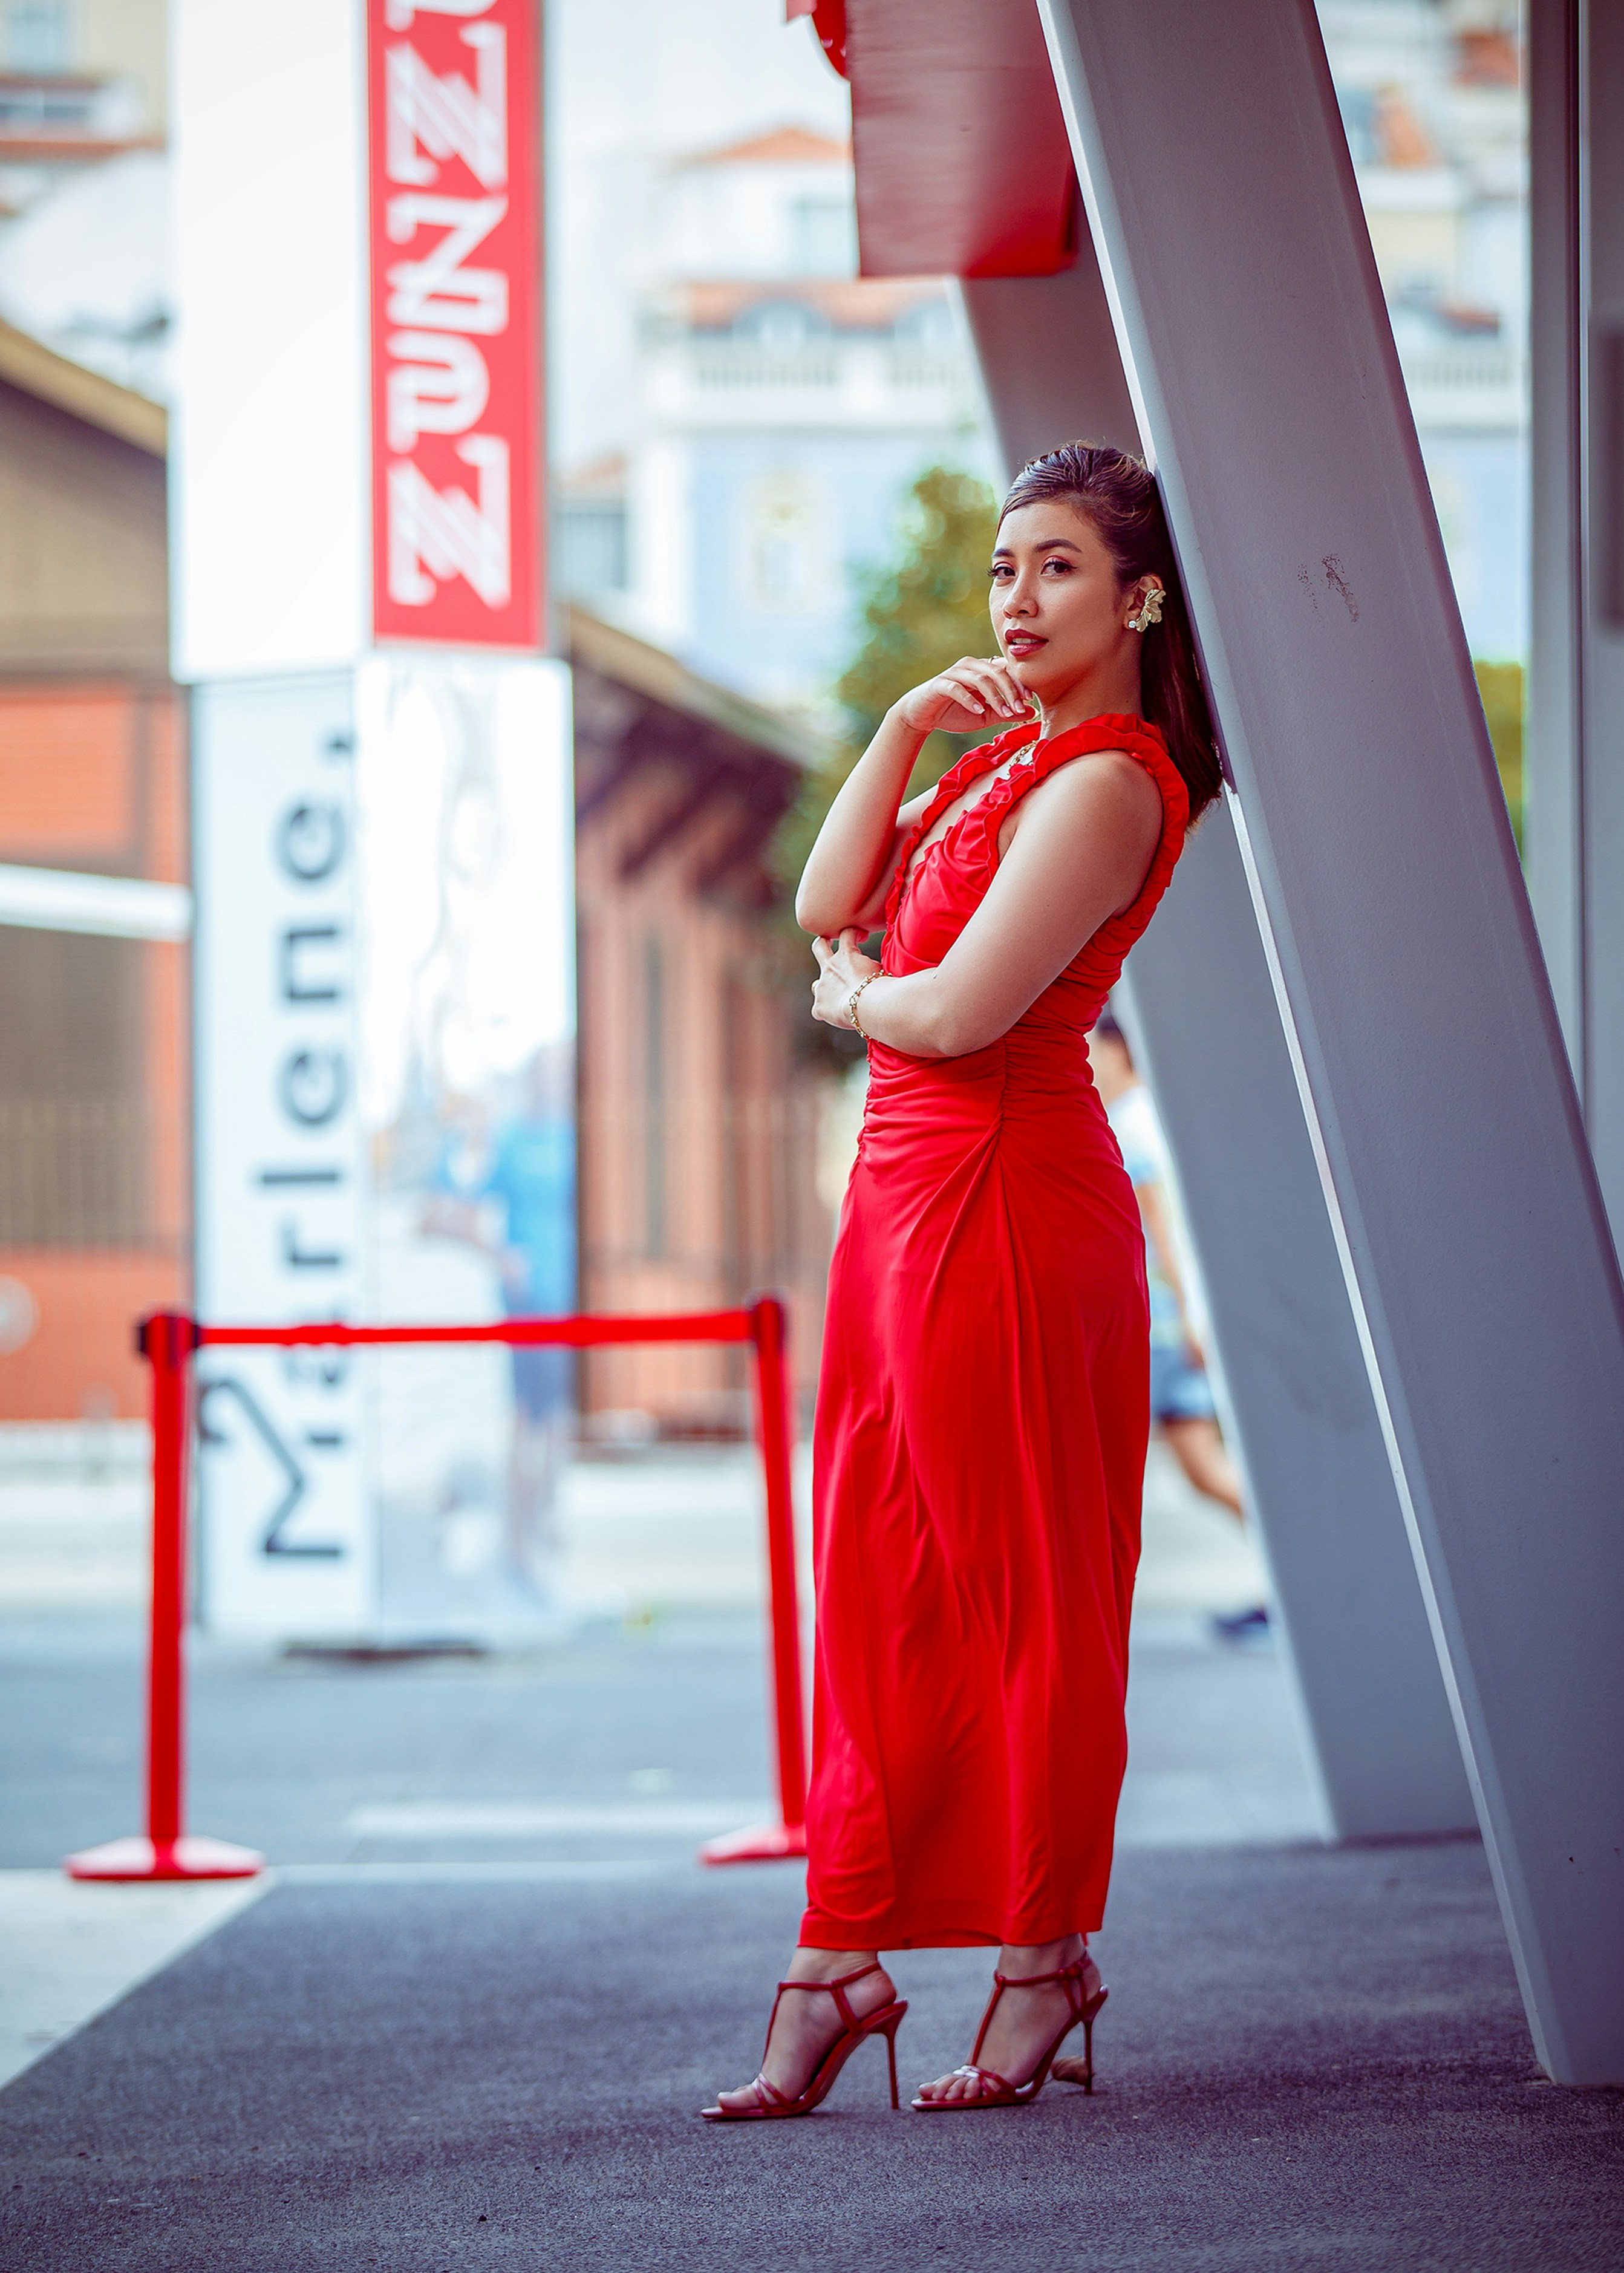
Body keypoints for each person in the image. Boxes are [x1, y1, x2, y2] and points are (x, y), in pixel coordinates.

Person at [702, 443, 1223, 2122]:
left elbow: (952, 1009)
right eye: (1005, 566)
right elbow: (824, 897)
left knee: (1018, 1595)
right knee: (875, 1580)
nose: (1016, 596)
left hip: (1002, 1194)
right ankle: (836, 1954)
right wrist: (899, 727)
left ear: (1139, 595)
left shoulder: (1108, 781)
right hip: (902, 1196)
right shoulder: (1003, 758)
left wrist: (851, 999)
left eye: (1055, 565)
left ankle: (1040, 1953)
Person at [1085, 1012, 1264, 1643]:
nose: (1088, 1063)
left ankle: (1296, 1573)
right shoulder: (1149, 1118)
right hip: (1169, 1327)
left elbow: (1160, 1230)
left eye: (1093, 1050)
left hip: (1158, 1331)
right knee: (1201, 1468)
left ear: (1119, 1052)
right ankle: (1295, 1574)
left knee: (1114, 1467)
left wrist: (1190, 1316)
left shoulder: (1127, 1126)